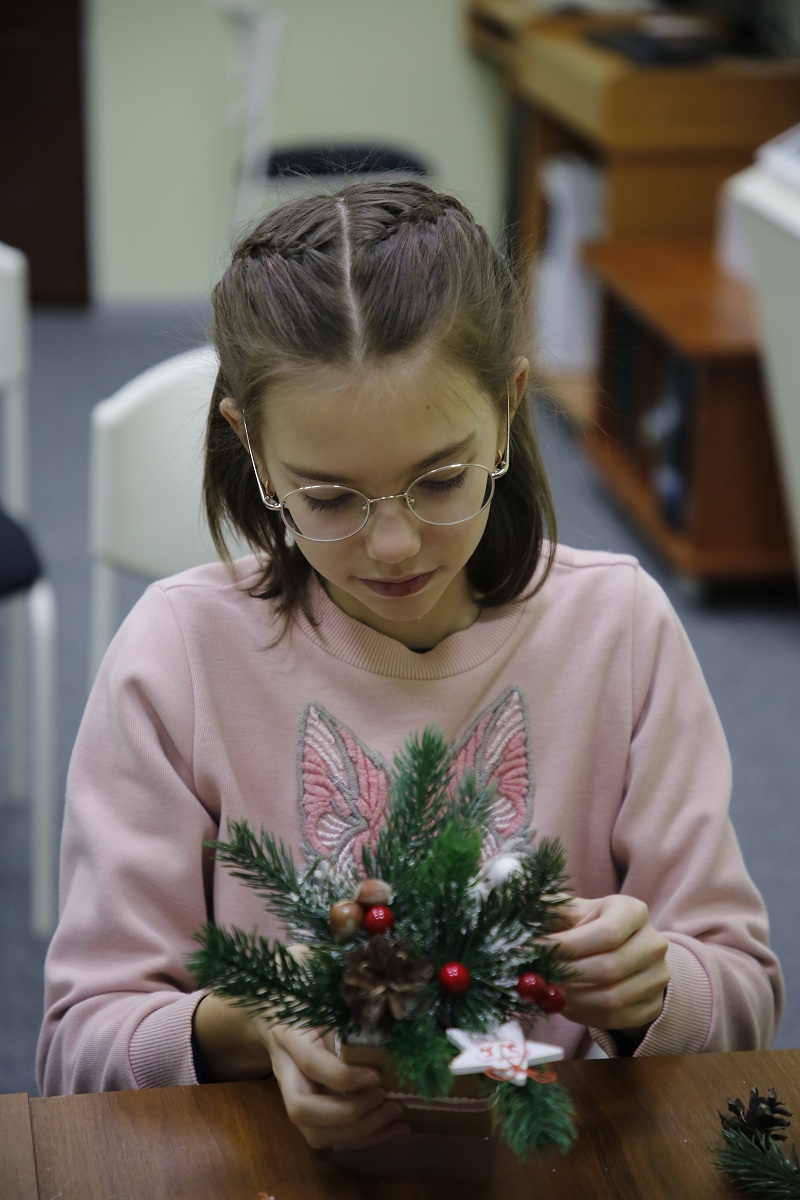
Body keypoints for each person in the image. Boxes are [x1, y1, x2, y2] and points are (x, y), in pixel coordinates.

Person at [38, 180, 782, 1150]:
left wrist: (655, 986)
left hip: (559, 1157)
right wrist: (251, 1027)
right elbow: (77, 1048)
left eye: (439, 480)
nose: (392, 547)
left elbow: (742, 994)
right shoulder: (176, 655)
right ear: (251, 450)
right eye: (329, 498)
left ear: (507, 409)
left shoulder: (619, 628)